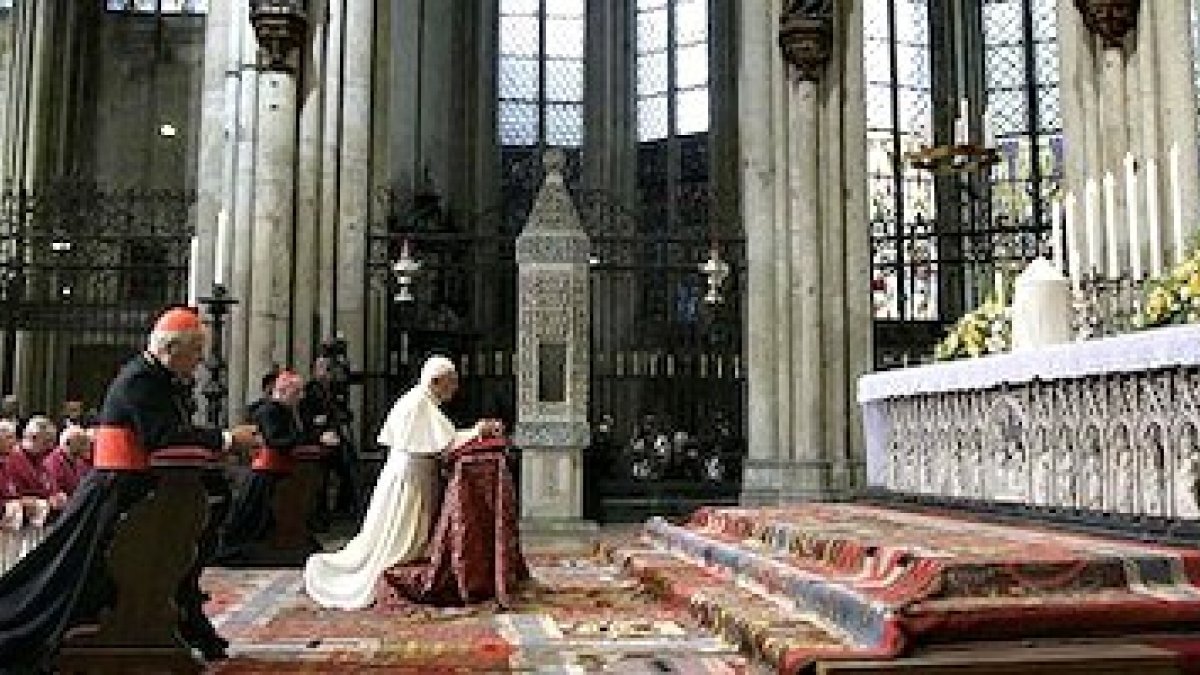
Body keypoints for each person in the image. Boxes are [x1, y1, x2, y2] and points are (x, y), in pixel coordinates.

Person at [0, 307, 259, 669]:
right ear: (171, 350)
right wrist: (227, 439)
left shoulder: (159, 378)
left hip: (138, 490)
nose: (200, 361)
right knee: (70, 581)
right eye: (196, 352)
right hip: (119, 493)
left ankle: (165, 624)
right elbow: (163, 436)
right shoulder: (140, 379)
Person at [303, 356, 500, 610]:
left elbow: (442, 438)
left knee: (412, 531)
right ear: (436, 381)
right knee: (398, 533)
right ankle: (386, 572)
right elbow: (446, 443)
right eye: (451, 383)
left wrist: (474, 431)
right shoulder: (417, 403)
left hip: (418, 474)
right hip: (408, 478)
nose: (455, 389)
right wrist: (476, 431)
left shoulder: (425, 402)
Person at [43, 425, 93, 498]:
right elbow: (57, 494)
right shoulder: (53, 463)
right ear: (68, 443)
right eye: (82, 442)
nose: (87, 446)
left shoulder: (80, 462)